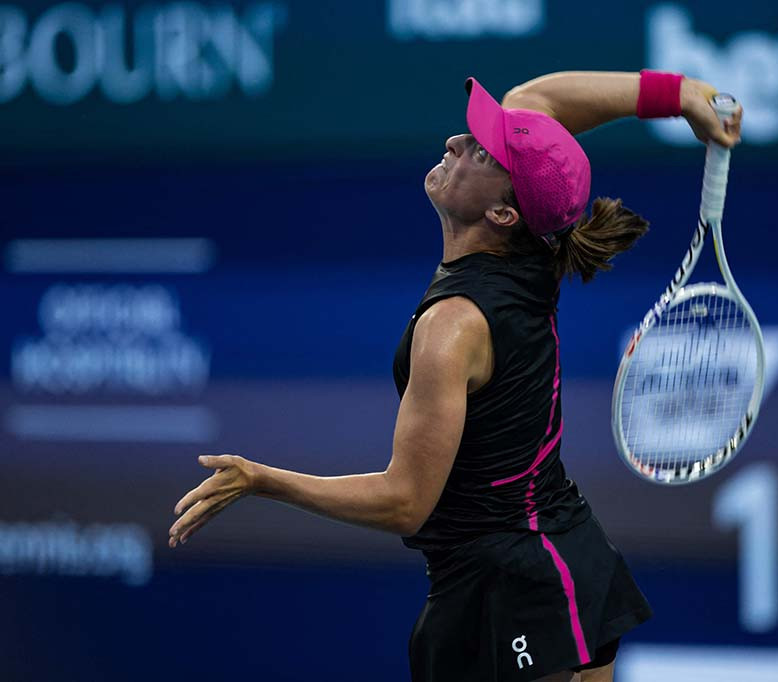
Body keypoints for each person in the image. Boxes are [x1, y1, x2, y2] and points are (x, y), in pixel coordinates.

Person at [169, 70, 743, 682]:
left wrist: (263, 480)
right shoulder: (536, 246)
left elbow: (405, 502)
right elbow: (537, 102)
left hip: (508, 590)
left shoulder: (453, 328)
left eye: (479, 149)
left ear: (502, 210)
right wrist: (676, 93)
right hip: (566, 551)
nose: (454, 141)